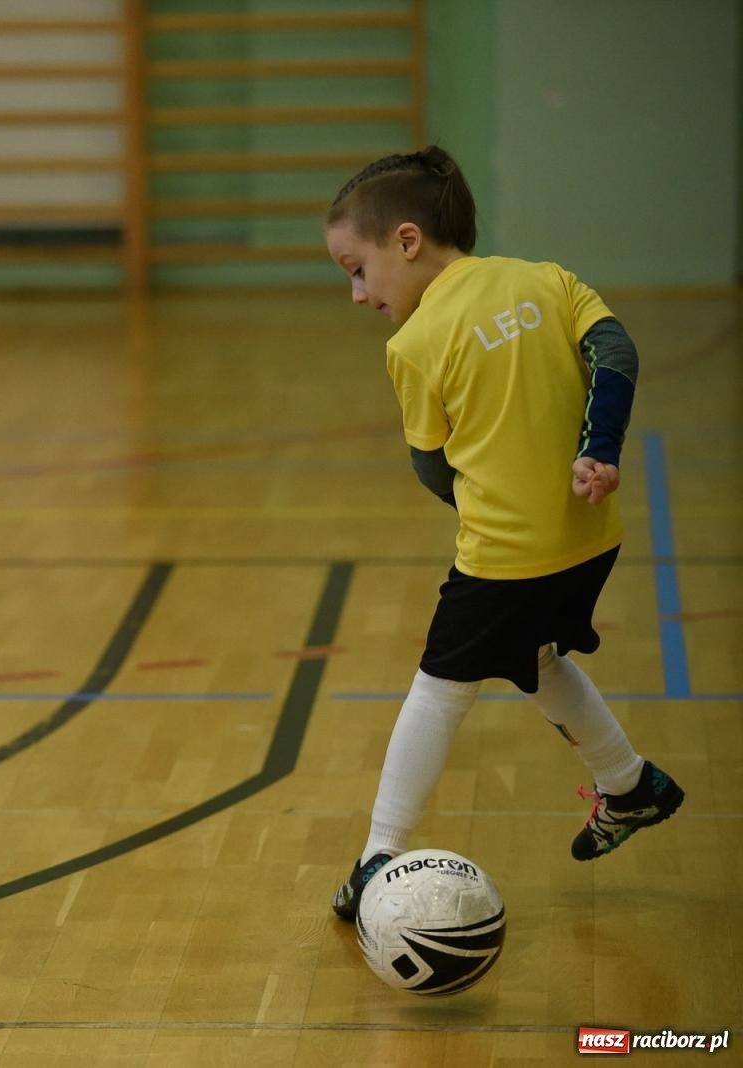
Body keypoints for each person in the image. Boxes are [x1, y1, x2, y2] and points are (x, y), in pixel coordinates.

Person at [322, 146, 685, 921]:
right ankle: (630, 784)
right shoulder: (545, 279)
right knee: (536, 658)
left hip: (505, 558)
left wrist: (499, 497)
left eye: (357, 269)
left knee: (437, 689)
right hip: (593, 539)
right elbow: (615, 351)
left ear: (408, 241)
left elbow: (430, 468)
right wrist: (599, 448)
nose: (357, 294)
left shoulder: (413, 346)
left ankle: (374, 856)